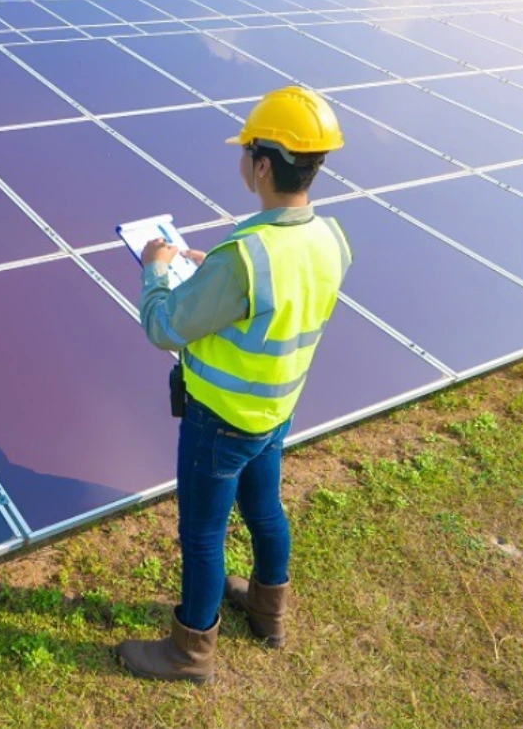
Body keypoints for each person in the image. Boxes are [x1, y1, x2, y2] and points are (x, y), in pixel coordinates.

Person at [115, 86, 352, 683]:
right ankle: (269, 614)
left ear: (263, 165)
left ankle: (189, 652)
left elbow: (165, 326)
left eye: (247, 150)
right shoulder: (330, 239)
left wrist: (156, 270)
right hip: (274, 412)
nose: (243, 160)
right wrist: (212, 267)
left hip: (218, 422)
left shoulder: (245, 256)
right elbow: (278, 296)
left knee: (201, 533)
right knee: (265, 510)